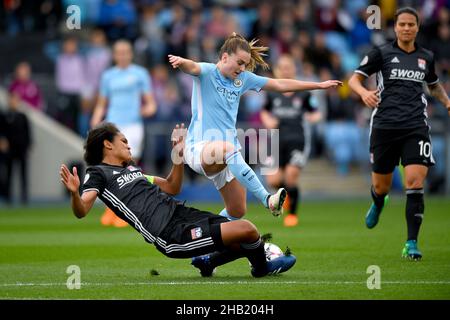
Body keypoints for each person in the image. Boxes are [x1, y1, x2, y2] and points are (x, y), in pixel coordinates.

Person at [59, 122, 296, 278]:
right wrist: (74, 193)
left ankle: (208, 263)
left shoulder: (136, 172)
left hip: (184, 215)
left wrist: (178, 157)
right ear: (107, 144)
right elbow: (82, 210)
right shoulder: (98, 174)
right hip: (170, 234)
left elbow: (172, 186)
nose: (129, 145)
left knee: (241, 236)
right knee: (248, 230)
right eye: (123, 141)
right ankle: (261, 268)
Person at [168, 33, 342, 222]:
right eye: (240, 62)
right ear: (225, 57)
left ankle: (204, 242)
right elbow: (192, 66)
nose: (242, 68)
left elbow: (280, 84)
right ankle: (268, 200)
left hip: (225, 155)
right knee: (230, 149)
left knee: (237, 210)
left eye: (245, 64)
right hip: (199, 148)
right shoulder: (207, 72)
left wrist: (318, 85)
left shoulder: (242, 79)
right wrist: (181, 61)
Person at [348, 7, 450, 261]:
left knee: (415, 183)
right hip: (384, 126)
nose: (406, 28)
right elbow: (353, 80)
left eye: (410, 24)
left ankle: (411, 242)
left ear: (417, 27)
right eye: (401, 24)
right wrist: (364, 94)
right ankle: (378, 201)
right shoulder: (381, 53)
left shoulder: (426, 56)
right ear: (395, 27)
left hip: (416, 126)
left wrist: (448, 103)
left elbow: (434, 85)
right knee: (381, 186)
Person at [90, 39, 157, 227]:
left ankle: (124, 211)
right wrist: (95, 121)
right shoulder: (108, 76)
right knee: (110, 168)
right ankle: (111, 210)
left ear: (131, 54)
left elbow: (150, 102)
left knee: (128, 167)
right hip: (113, 126)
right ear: (114, 54)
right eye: (119, 52)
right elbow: (102, 103)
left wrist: (148, 109)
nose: (122, 55)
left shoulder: (140, 73)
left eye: (126, 51)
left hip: (133, 125)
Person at [260, 54, 322, 227]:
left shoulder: (303, 93)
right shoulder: (272, 92)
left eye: (289, 66)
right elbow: (264, 111)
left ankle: (292, 215)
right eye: (282, 66)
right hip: (275, 140)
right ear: (278, 69)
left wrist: (313, 117)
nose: (285, 69)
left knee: (291, 177)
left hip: (297, 139)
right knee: (272, 180)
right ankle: (285, 196)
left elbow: (316, 112)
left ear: (294, 69)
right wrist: (268, 120)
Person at [2, 94, 32, 205]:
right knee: (9, 173)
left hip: (21, 149)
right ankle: (8, 197)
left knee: (23, 174)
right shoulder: (5, 116)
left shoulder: (22, 116)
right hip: (10, 149)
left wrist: (28, 145)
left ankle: (24, 197)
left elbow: (28, 132)